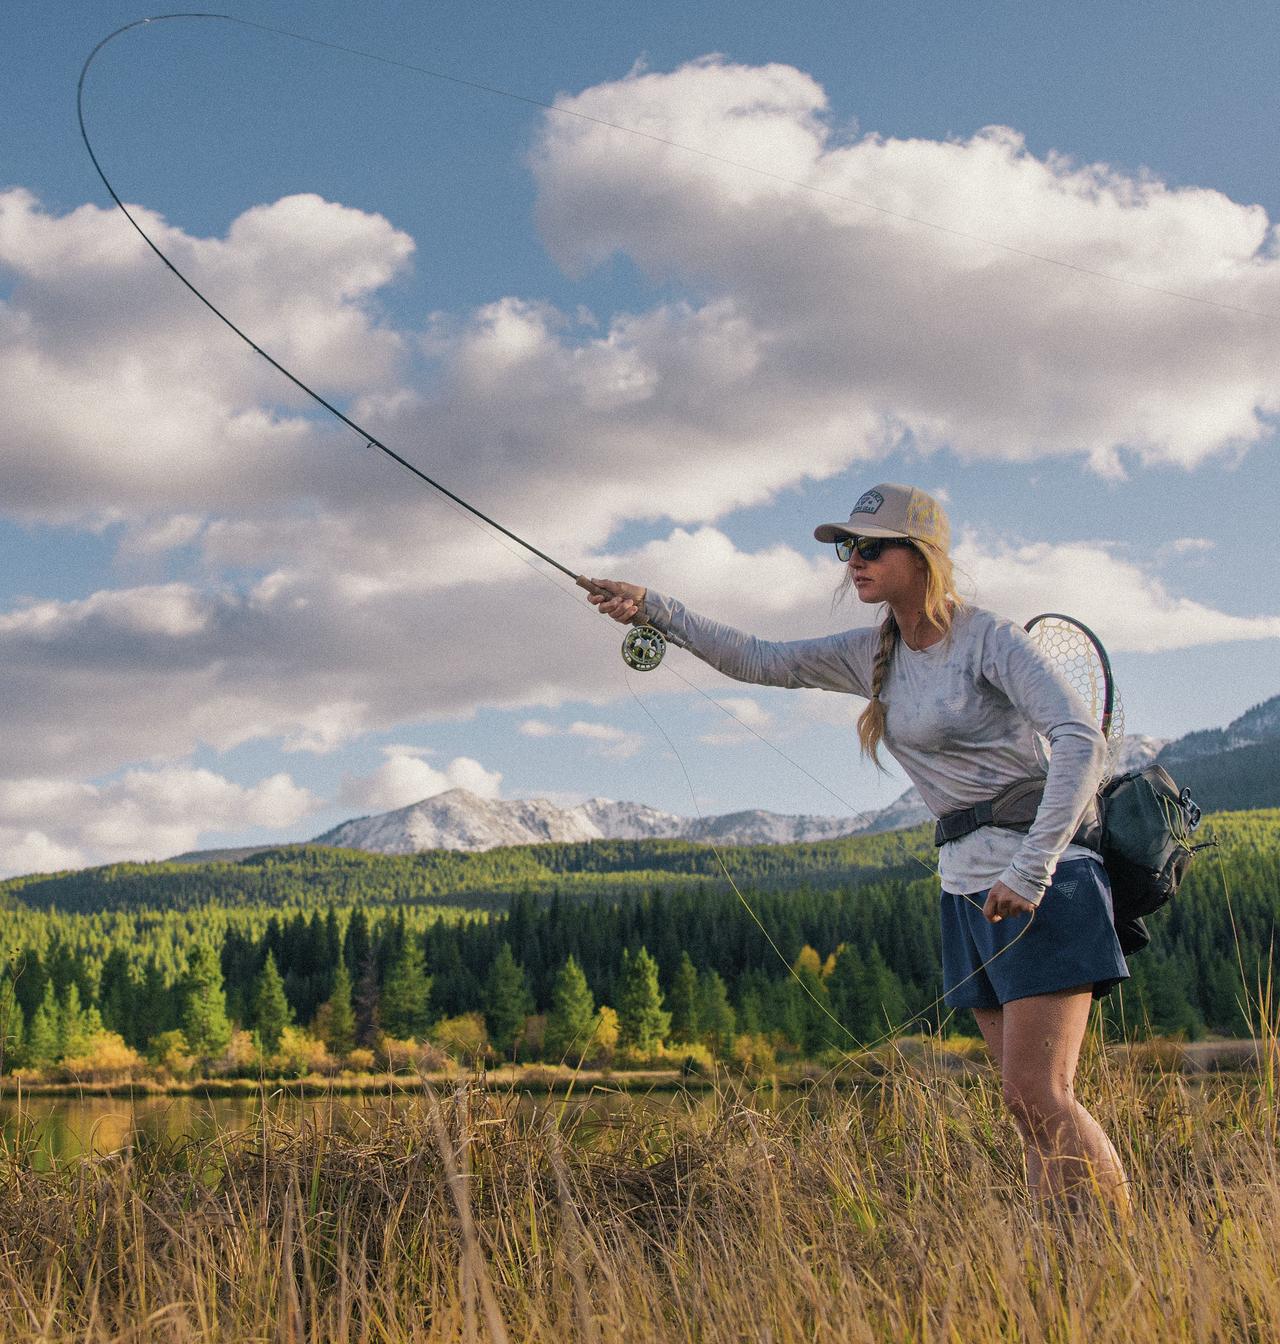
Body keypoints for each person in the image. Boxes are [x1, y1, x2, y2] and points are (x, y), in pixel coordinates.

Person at [588, 482, 1131, 1218]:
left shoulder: (990, 639)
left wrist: (1030, 868)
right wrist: (655, 606)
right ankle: (1065, 1259)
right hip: (968, 889)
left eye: (872, 547)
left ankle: (1117, 1250)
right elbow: (758, 659)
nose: (854, 560)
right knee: (1025, 1107)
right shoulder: (873, 652)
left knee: (1040, 1093)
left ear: (923, 556)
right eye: (848, 547)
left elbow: (1078, 741)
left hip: (1045, 884)